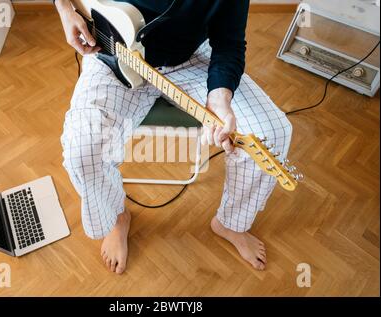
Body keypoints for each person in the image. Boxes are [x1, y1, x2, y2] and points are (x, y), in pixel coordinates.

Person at [55, 0, 293, 274]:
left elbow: (229, 43)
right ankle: (116, 216)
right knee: (81, 150)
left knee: (272, 132)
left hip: (190, 57)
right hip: (113, 53)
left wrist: (219, 97)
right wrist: (65, 9)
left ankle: (231, 223)